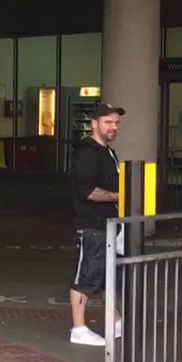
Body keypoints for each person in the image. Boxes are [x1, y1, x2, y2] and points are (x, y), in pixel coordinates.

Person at [68, 103, 124, 347]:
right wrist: (122, 196)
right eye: (107, 122)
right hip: (92, 224)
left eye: (116, 123)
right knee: (86, 275)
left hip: (109, 224)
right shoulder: (88, 153)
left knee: (105, 275)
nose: (113, 127)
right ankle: (78, 328)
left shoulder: (108, 151)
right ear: (94, 123)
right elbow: (87, 191)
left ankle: (116, 321)